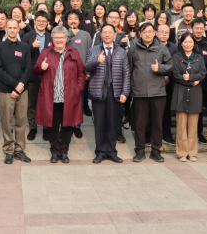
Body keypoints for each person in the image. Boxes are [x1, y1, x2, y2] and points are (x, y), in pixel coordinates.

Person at [33, 26, 85, 163]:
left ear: (66, 38)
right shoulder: (45, 52)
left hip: (69, 96)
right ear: (52, 39)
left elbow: (81, 72)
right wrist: (40, 67)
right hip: (51, 97)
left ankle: (64, 151)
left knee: (68, 125)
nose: (59, 40)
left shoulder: (74, 52)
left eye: (61, 37)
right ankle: (54, 152)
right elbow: (35, 70)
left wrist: (78, 88)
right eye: (56, 37)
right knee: (53, 126)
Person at [85, 23, 130, 164]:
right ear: (100, 34)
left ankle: (111, 151)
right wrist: (96, 61)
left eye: (110, 32)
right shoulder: (93, 50)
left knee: (112, 123)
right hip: (99, 90)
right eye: (104, 32)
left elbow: (126, 74)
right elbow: (87, 67)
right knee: (99, 124)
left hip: (115, 90)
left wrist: (125, 92)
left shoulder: (121, 52)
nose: (107, 35)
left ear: (114, 34)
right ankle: (100, 152)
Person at [128, 23, 173, 162]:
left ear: (154, 33)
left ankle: (156, 150)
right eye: (144, 32)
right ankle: (139, 150)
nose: (147, 34)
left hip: (158, 92)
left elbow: (170, 65)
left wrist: (160, 68)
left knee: (157, 123)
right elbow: (129, 70)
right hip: (139, 92)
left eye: (150, 31)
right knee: (140, 124)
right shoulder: (133, 49)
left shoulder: (162, 48)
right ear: (140, 33)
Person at [0, 19, 32, 165]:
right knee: (6, 122)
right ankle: (8, 150)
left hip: (22, 90)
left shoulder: (25, 47)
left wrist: (20, 86)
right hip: (5, 91)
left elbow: (28, 68)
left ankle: (19, 150)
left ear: (18, 29)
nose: (12, 30)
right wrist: (15, 85)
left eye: (14, 27)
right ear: (6, 29)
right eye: (9, 27)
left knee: (21, 121)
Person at [171, 34, 207, 162]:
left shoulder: (199, 57)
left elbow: (202, 73)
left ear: (193, 44)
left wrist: (189, 77)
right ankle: (181, 152)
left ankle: (192, 152)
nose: (187, 44)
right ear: (181, 43)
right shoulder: (176, 57)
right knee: (181, 126)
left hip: (195, 95)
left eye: (190, 42)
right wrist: (192, 82)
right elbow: (175, 74)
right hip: (180, 93)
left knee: (193, 126)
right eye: (185, 42)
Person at [22, 11, 53, 141]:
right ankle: (33, 128)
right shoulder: (27, 36)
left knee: (46, 102)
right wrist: (31, 47)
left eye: (43, 21)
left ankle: (46, 128)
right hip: (32, 75)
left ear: (47, 23)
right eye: (38, 20)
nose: (41, 23)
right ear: (34, 21)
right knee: (31, 103)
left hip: (47, 75)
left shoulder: (51, 36)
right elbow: (22, 54)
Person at [64, 9, 93, 137]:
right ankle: (67, 125)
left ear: (79, 21)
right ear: (67, 21)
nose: (73, 21)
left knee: (79, 100)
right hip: (65, 74)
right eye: (70, 18)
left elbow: (90, 53)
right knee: (66, 101)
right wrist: (70, 34)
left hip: (81, 74)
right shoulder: (63, 34)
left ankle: (77, 126)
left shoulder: (86, 35)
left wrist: (88, 72)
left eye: (75, 18)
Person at [156, 23, 178, 146]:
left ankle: (167, 134)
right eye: (162, 31)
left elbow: (175, 63)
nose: (164, 34)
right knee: (154, 110)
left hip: (169, 83)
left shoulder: (174, 47)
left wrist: (168, 76)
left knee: (167, 110)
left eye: (167, 32)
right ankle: (152, 135)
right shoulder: (152, 45)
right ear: (156, 33)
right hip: (154, 81)